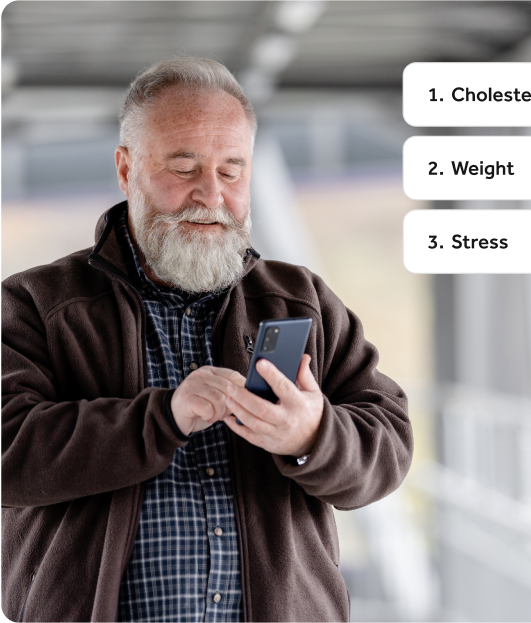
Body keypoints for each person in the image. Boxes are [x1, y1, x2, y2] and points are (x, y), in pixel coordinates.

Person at [1, 57, 413, 623]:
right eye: (184, 167)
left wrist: (314, 434)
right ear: (126, 169)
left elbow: (388, 442)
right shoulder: (37, 306)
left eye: (231, 171)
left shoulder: (301, 299)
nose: (211, 196)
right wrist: (162, 417)